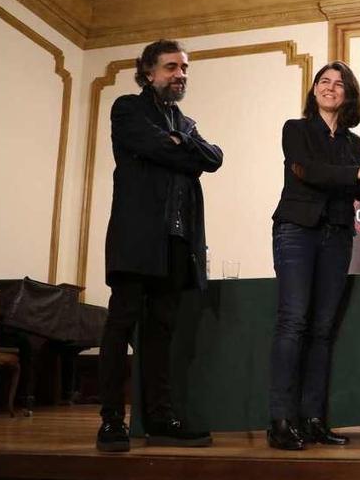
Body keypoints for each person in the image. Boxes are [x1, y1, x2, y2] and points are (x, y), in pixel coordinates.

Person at [98, 39, 222, 452]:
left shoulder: (185, 123)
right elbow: (155, 146)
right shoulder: (127, 109)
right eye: (171, 67)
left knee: (160, 334)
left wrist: (179, 144)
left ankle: (160, 418)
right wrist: (181, 147)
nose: (180, 74)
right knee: (120, 327)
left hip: (176, 242)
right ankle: (112, 420)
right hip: (136, 239)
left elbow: (214, 158)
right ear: (149, 72)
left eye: (184, 68)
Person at [267, 61, 360, 451]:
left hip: (337, 235)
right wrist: (358, 173)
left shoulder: (354, 145)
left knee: (322, 330)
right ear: (315, 89)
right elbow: (308, 172)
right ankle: (282, 420)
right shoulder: (296, 129)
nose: (330, 87)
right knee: (293, 323)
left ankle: (314, 419)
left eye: (339, 84)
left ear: (348, 95)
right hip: (297, 231)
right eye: (324, 81)